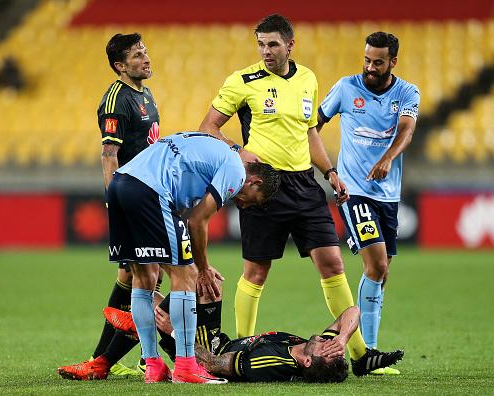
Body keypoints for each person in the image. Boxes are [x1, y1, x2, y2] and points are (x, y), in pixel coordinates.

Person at [198, 13, 377, 376]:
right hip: (263, 186)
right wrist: (236, 151)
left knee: (333, 263)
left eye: (273, 44)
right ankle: (239, 350)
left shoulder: (308, 78)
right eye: (261, 44)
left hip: (306, 185)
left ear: (290, 45)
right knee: (257, 270)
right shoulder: (242, 81)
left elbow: (310, 132)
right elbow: (208, 127)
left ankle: (359, 355)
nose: (265, 51)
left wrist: (330, 171)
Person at [105, 132, 280, 384]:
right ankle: (186, 367)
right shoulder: (235, 170)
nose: (243, 204)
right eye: (250, 200)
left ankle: (153, 365)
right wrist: (204, 267)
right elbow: (197, 220)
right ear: (254, 181)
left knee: (145, 277)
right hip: (149, 190)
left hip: (119, 184)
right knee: (186, 275)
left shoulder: (212, 151)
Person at [57, 32, 162, 380]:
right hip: (132, 199)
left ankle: (103, 359)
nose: (145, 59)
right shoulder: (116, 99)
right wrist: (116, 201)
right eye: (136, 55)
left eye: (145, 52)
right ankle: (136, 359)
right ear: (119, 65)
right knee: (148, 275)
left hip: (149, 195)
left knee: (133, 276)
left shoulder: (144, 93)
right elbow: (109, 154)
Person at [317, 32, 420, 375]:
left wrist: (389, 158)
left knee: (381, 272)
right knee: (375, 266)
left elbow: (406, 130)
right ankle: (366, 352)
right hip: (354, 191)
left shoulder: (407, 92)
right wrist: (330, 171)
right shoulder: (346, 88)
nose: (370, 67)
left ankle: (369, 356)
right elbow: (312, 125)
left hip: (388, 195)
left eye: (378, 62)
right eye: (367, 60)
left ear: (393, 62)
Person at [104, 301, 404, 383]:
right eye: (334, 347)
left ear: (309, 362)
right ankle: (139, 328)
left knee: (152, 303)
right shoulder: (313, 346)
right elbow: (353, 311)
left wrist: (173, 332)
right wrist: (341, 337)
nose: (329, 343)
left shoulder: (271, 364)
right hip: (218, 338)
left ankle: (112, 355)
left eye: (328, 349)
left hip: (202, 349)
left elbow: (214, 364)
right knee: (207, 280)